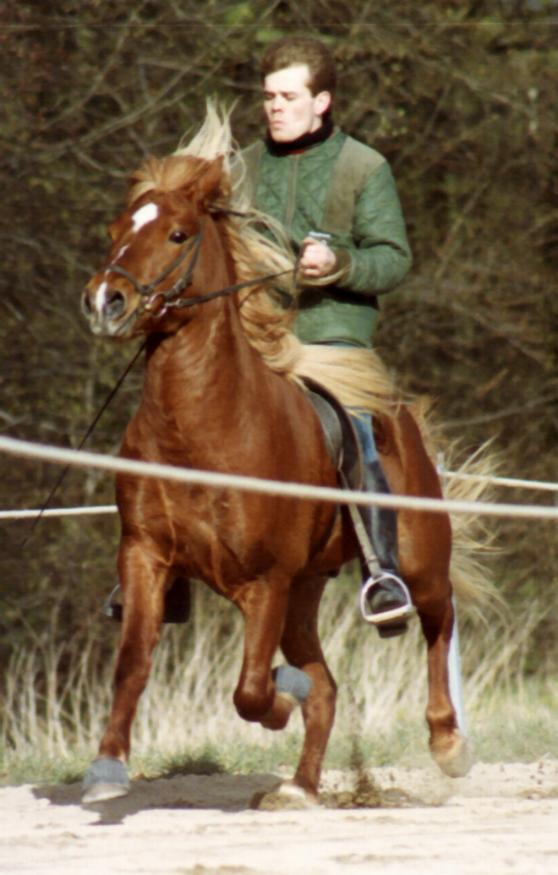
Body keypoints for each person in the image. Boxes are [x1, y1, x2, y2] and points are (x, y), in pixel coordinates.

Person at [240, 36, 414, 636]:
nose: (275, 108)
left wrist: (338, 264)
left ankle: (380, 570)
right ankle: (162, 563)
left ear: (322, 101)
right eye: (268, 97)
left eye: (289, 96)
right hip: (252, 336)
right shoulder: (240, 167)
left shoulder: (365, 166)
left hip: (330, 338)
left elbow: (394, 260)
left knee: (355, 430)